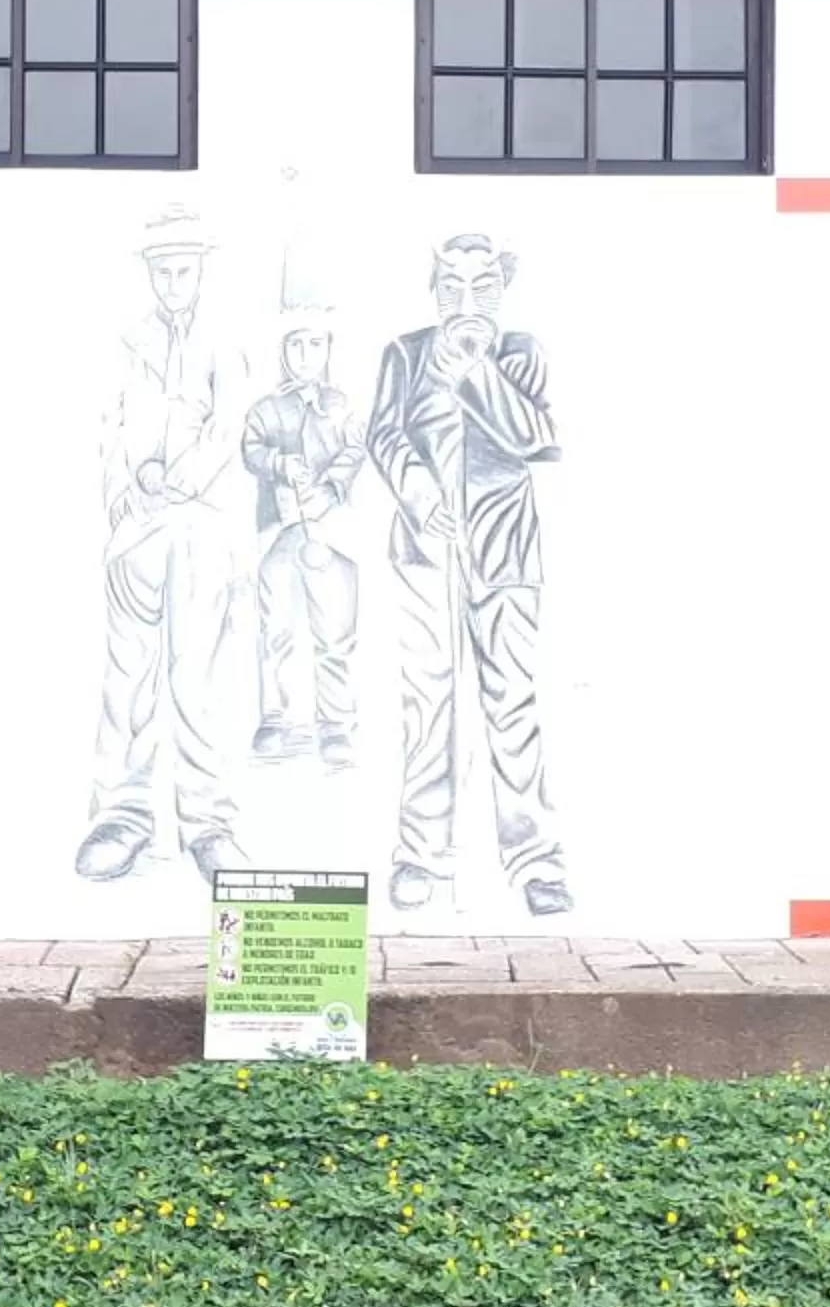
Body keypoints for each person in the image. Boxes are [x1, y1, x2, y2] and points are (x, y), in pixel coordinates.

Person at [366, 234, 570, 915]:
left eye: (482, 286)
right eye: (451, 285)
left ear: (501, 290)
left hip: (505, 550)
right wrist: (417, 490)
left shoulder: (520, 351)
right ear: (433, 289)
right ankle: (420, 854)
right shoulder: (404, 353)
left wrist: (473, 372)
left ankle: (536, 862)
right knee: (427, 703)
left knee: (512, 702)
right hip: (426, 551)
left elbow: (537, 437)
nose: (465, 301)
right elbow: (383, 433)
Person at [79, 208, 249, 883]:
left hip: (200, 525)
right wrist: (127, 489)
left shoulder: (224, 343)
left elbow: (227, 428)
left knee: (195, 680)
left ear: (201, 270)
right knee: (127, 679)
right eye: (163, 272)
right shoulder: (127, 340)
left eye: (184, 270)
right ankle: (121, 818)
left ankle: (209, 826)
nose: (174, 283)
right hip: (136, 530)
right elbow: (107, 424)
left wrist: (173, 479)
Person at [239, 312, 364, 766]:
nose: (305, 356)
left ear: (329, 347)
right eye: (295, 345)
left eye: (314, 345)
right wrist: (277, 463)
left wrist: (332, 485)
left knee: (335, 628)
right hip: (282, 529)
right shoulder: (266, 408)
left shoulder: (343, 406)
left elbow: (357, 448)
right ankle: (274, 716)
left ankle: (335, 722)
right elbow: (250, 449)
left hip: (332, 532)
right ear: (282, 350)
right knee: (275, 625)